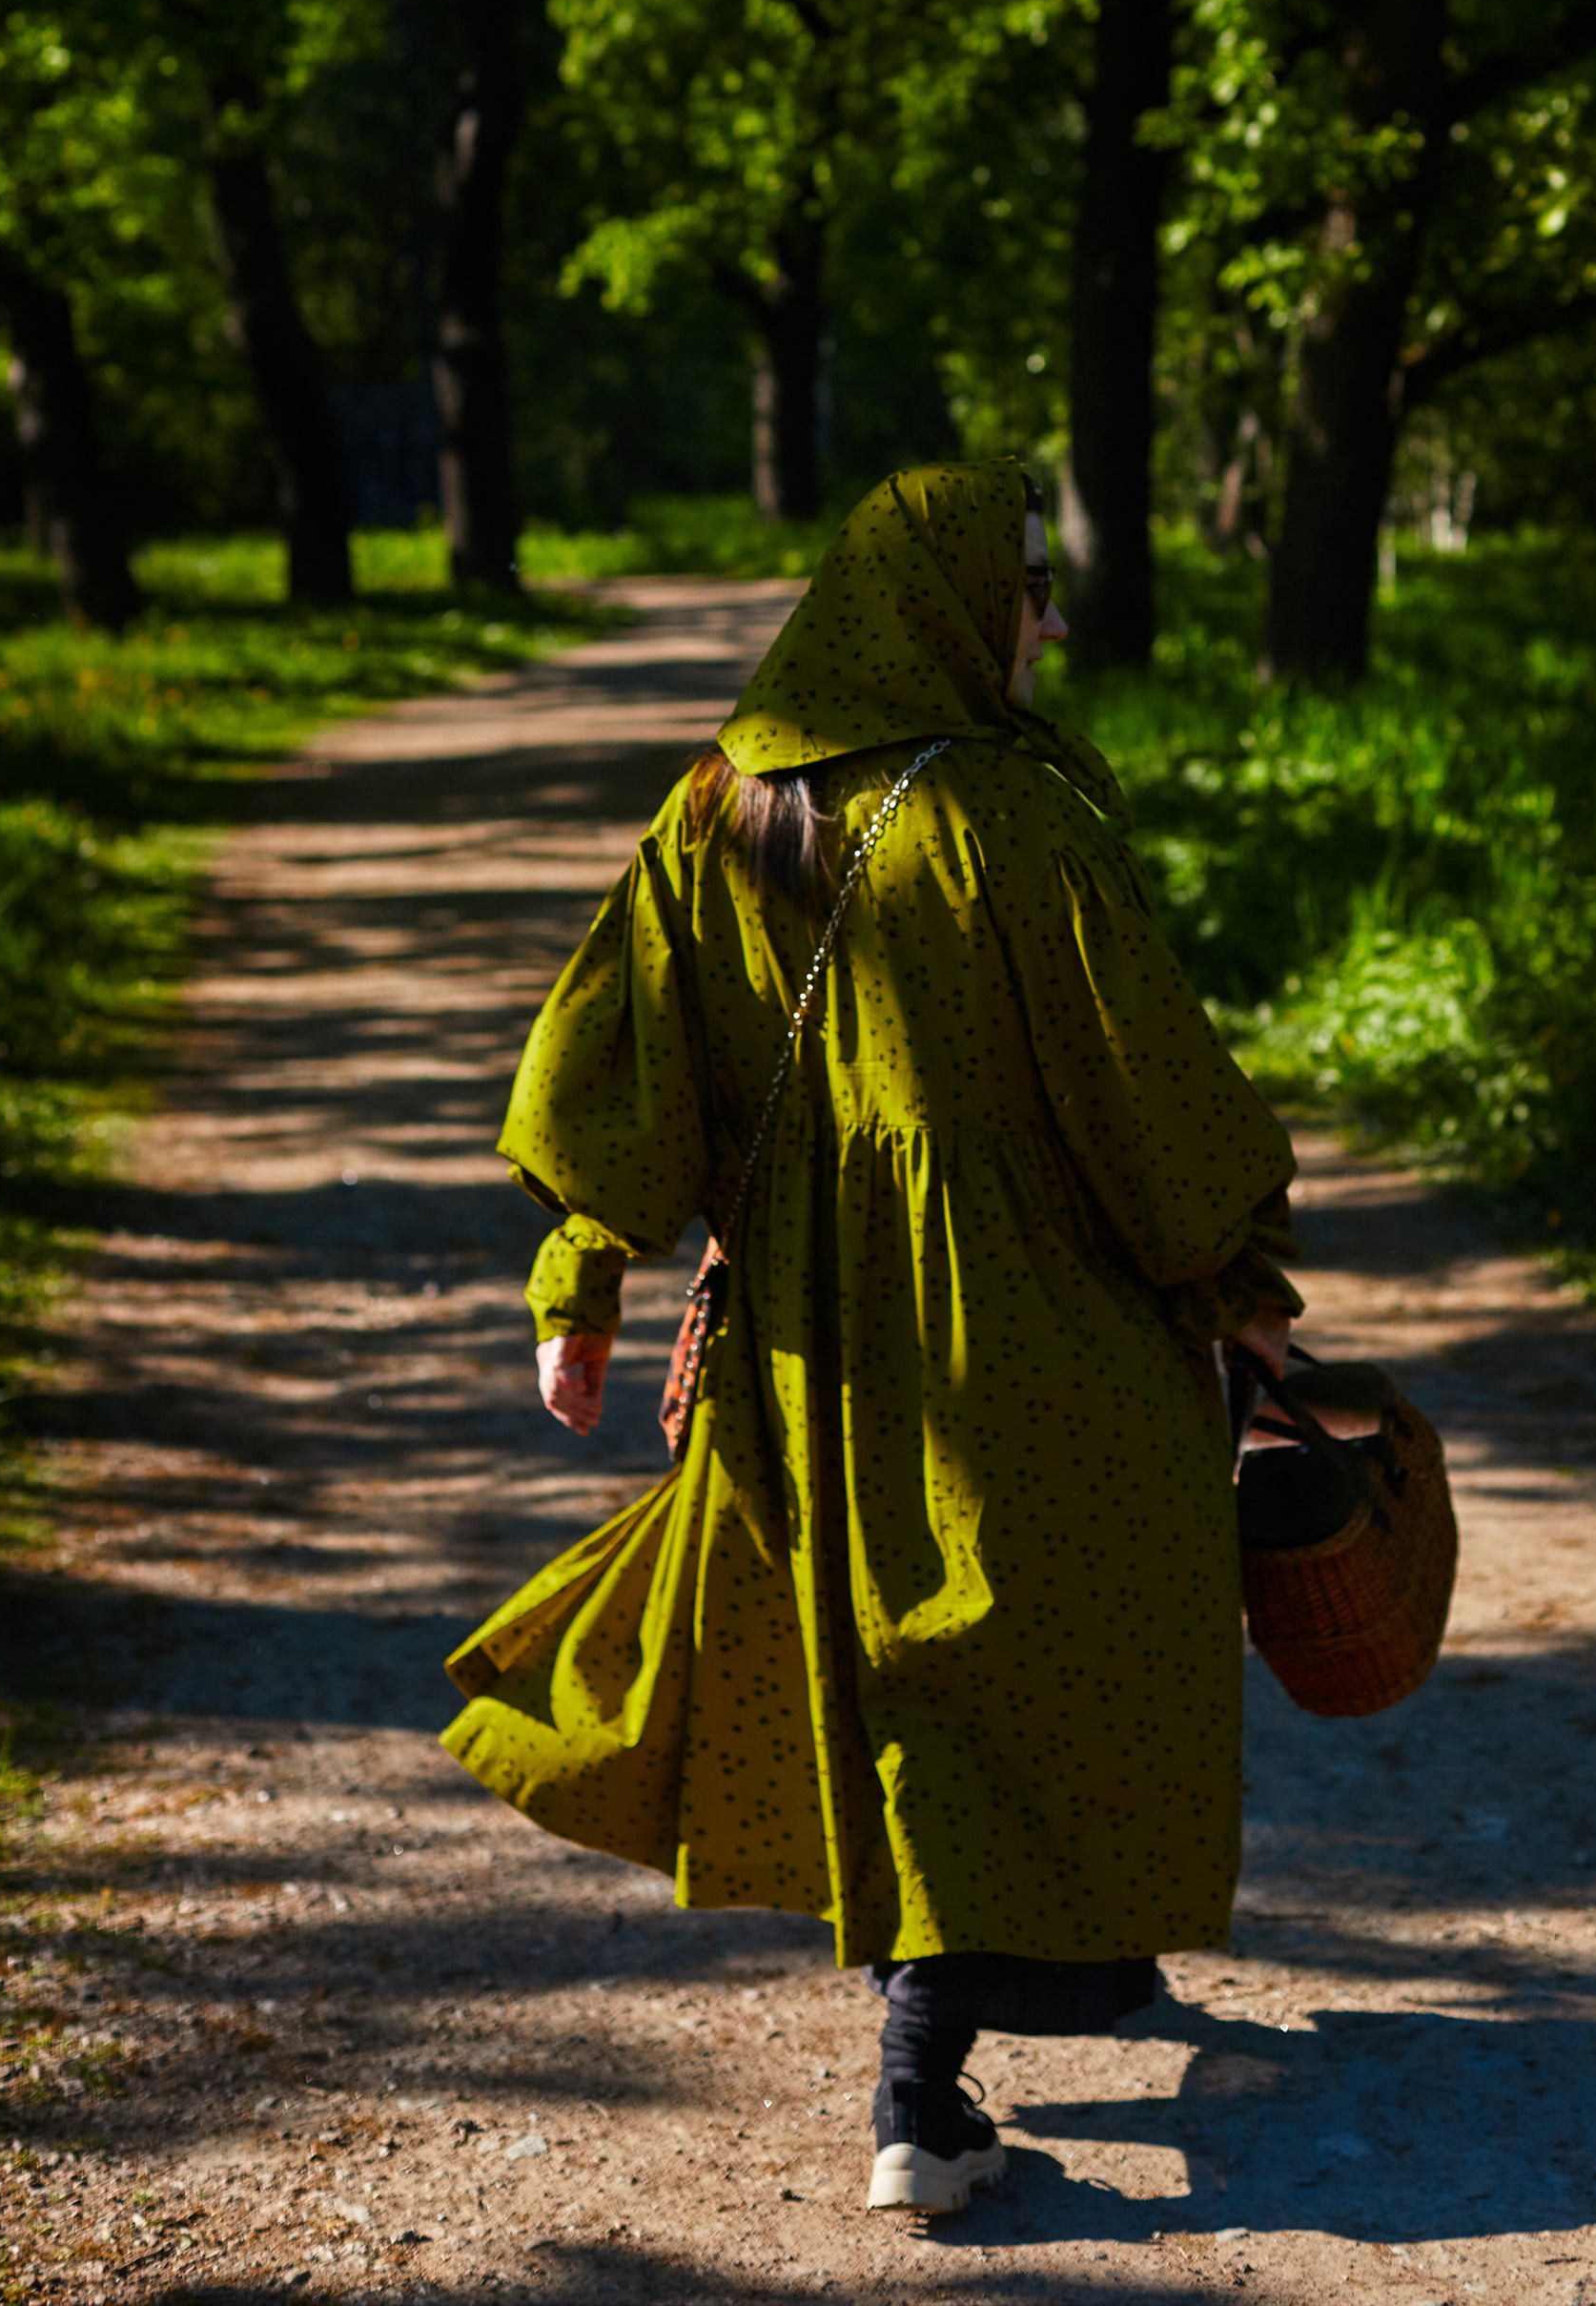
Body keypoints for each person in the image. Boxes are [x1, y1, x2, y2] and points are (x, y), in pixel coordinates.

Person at [441, 462, 1299, 2214]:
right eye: (1030, 590)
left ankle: (1053, 1979)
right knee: (1046, 1639)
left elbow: (621, 1062)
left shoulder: (713, 810)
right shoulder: (1012, 820)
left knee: (896, 1659)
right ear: (946, 607)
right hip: (1033, 1329)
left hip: (809, 1346)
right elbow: (1146, 1096)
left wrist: (580, 1286)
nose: (1051, 623)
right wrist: (1237, 1282)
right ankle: (923, 2081)